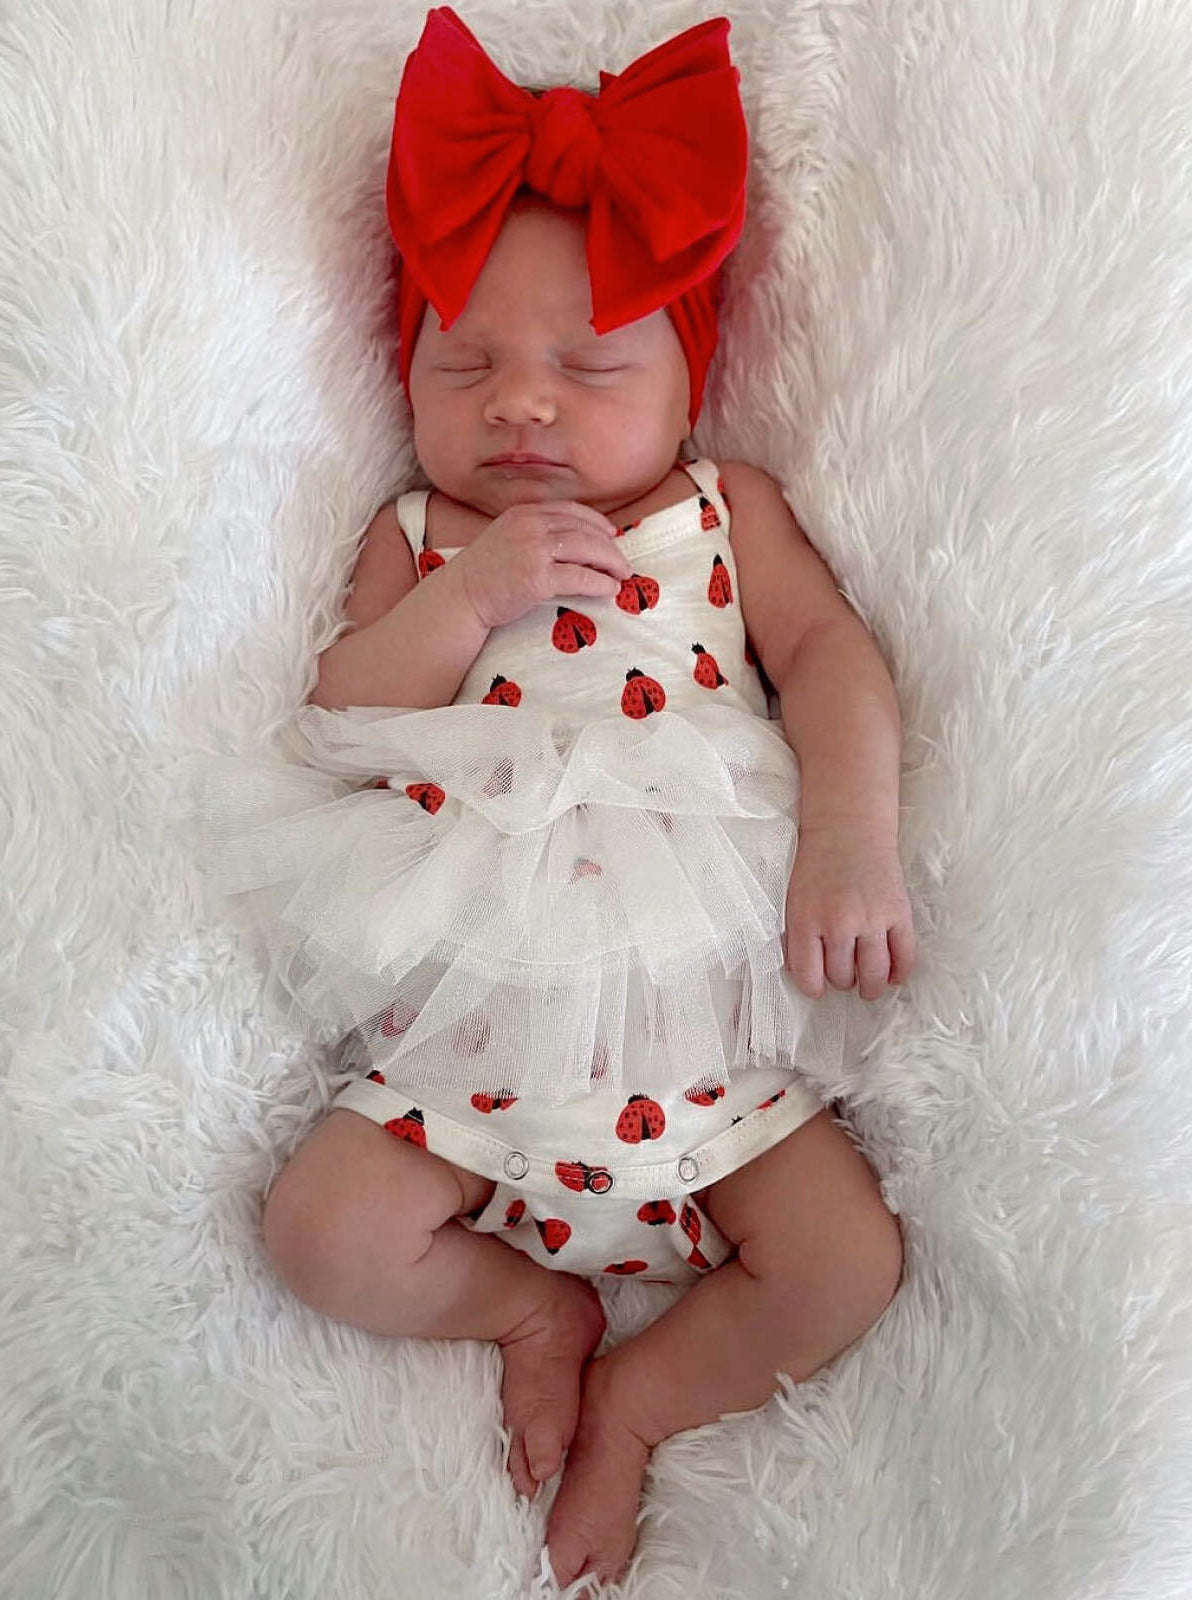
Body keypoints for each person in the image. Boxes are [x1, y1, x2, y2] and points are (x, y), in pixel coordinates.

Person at [216, 8, 915, 1588]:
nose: (521, 405)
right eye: (466, 366)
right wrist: (464, 609)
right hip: (476, 1051)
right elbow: (346, 714)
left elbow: (832, 662)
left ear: (687, 380)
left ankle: (641, 1410)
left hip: (710, 1023)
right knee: (318, 1236)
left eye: (589, 366)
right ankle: (531, 1307)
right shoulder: (423, 533)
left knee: (844, 1265)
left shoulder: (726, 513)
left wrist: (849, 841)